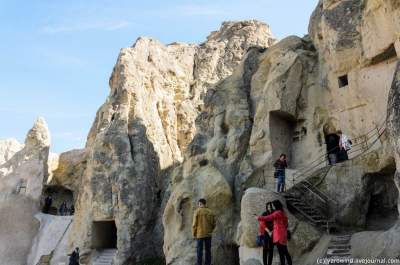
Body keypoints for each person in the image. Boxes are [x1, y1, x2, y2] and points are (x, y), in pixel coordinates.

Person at [257, 200, 292, 265]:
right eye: (269, 207)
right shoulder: (282, 212)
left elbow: (268, 218)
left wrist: (258, 217)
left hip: (278, 235)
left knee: (282, 252)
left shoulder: (276, 213)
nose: (271, 207)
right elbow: (286, 223)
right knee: (284, 251)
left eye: (272, 206)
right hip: (279, 234)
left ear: (275, 206)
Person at [192, 198, 216, 265]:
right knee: (208, 250)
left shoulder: (197, 211)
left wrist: (194, 234)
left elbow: (194, 224)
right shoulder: (210, 212)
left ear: (200, 204)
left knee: (199, 250)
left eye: (199, 204)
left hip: (199, 235)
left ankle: (199, 264)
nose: (198, 205)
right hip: (208, 234)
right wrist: (210, 230)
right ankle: (207, 263)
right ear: (205, 204)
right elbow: (214, 224)